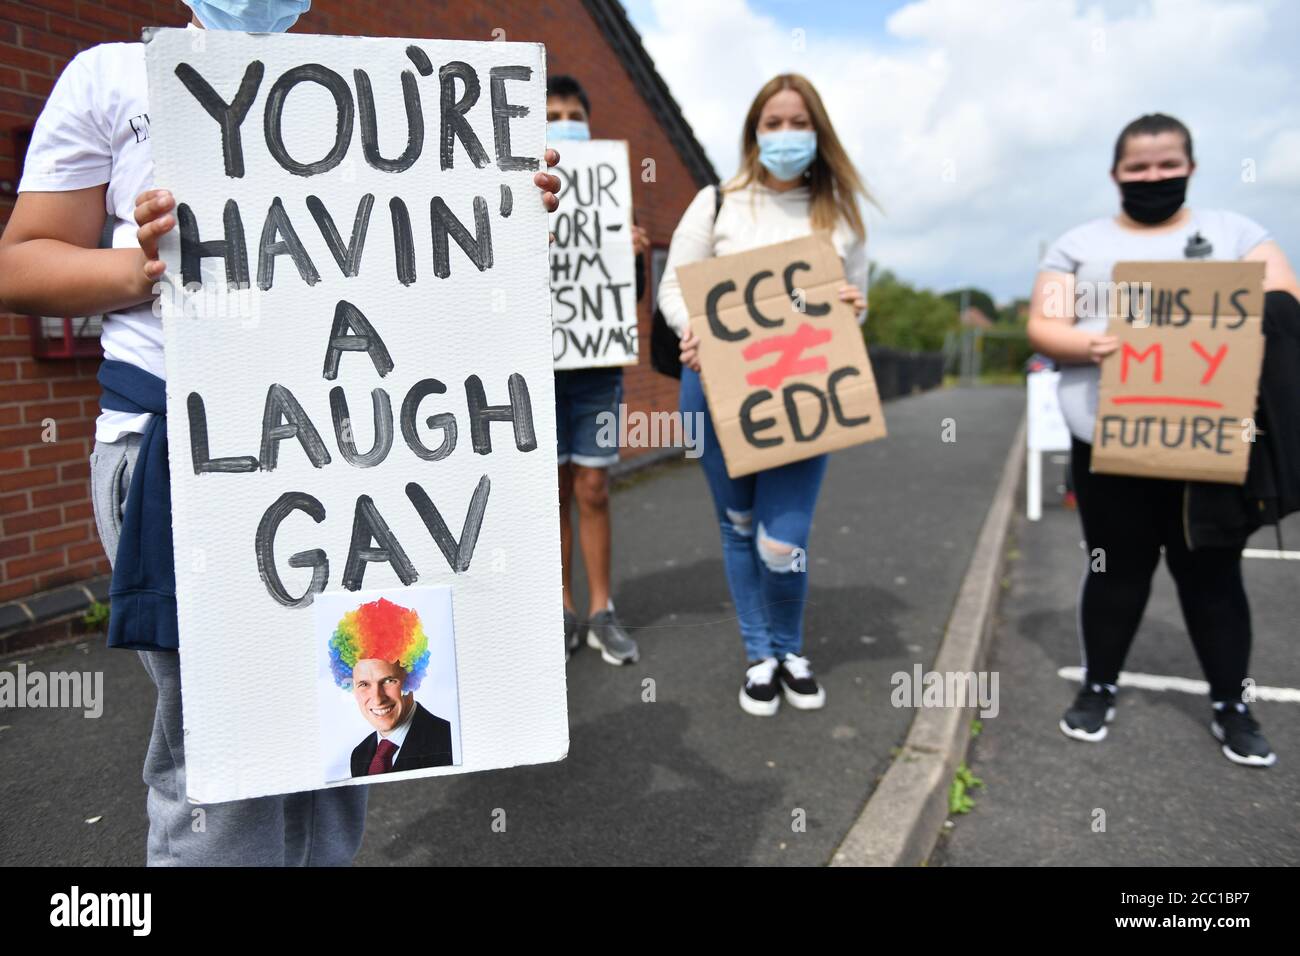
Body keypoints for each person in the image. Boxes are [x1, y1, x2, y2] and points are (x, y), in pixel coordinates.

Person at [0, 0, 563, 864]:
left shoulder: (372, 92)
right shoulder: (112, 75)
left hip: (343, 454)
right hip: (184, 456)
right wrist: (139, 266)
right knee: (228, 762)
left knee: (343, 734)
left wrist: (499, 207)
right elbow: (23, 260)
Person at [1027, 113, 1300, 767]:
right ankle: (1098, 687)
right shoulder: (1078, 243)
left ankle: (1231, 704)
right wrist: (1097, 343)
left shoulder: (1236, 234)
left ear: (1191, 167)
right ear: (1117, 174)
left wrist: (1208, 316)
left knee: (1211, 574)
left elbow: (1286, 298)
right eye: (1139, 168)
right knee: (1115, 572)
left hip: (1208, 443)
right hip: (1107, 440)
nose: (1154, 177)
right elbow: (1044, 325)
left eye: (1167, 165)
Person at [656, 74, 871, 716]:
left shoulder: (842, 219)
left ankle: (790, 644)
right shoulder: (717, 202)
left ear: (818, 131)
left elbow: (851, 309)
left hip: (804, 394)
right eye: (771, 123)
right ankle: (762, 656)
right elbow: (675, 287)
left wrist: (853, 309)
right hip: (717, 389)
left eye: (796, 122)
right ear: (754, 131)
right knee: (738, 525)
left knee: (784, 538)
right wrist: (691, 329)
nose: (784, 135)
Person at [545, 75, 651, 665]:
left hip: (599, 372)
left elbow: (626, 298)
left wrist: (633, 256)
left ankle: (601, 611)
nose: (564, 119)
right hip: (541, 373)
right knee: (556, 492)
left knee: (593, 487)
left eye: (572, 112)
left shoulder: (609, 191)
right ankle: (562, 607)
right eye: (553, 112)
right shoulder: (522, 191)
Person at [327, 597, 455, 777]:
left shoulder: (449, 742)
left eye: (388, 681)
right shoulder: (360, 754)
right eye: (364, 684)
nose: (377, 698)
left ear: (410, 677)